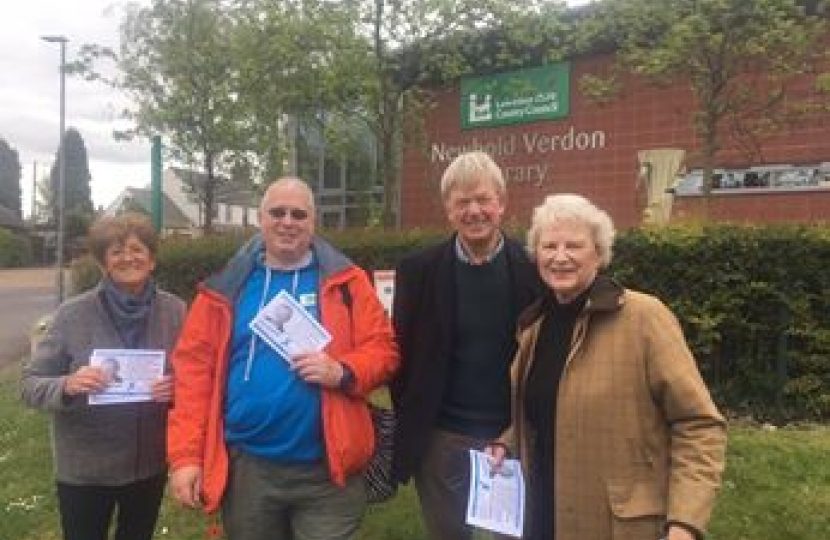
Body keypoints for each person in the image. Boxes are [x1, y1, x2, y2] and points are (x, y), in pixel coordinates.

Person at [168, 177, 398, 540]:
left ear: (313, 223)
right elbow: (193, 377)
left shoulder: (349, 284)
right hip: (248, 470)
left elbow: (383, 351)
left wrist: (343, 370)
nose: (287, 221)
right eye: (277, 212)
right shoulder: (223, 291)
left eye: (298, 214)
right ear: (260, 219)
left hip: (329, 470)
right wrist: (185, 458)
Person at [487, 194, 727, 540]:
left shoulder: (644, 318)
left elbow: (699, 425)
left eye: (574, 245)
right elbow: (546, 411)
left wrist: (684, 524)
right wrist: (507, 443)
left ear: (599, 253)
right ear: (536, 255)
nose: (559, 257)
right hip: (539, 519)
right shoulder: (533, 327)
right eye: (549, 245)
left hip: (618, 525)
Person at [390, 151, 542, 540]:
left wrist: (517, 429)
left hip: (512, 433)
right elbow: (400, 353)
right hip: (442, 436)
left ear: (502, 203)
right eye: (462, 202)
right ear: (448, 209)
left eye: (483, 199)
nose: (474, 211)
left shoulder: (533, 269)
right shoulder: (418, 271)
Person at [20, 213, 186, 540]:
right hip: (85, 470)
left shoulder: (176, 311)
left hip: (147, 465)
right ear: (103, 264)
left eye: (138, 250)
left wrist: (177, 388)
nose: (129, 258)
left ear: (152, 261)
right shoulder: (72, 314)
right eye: (117, 251)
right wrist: (67, 384)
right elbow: (29, 384)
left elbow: (195, 376)